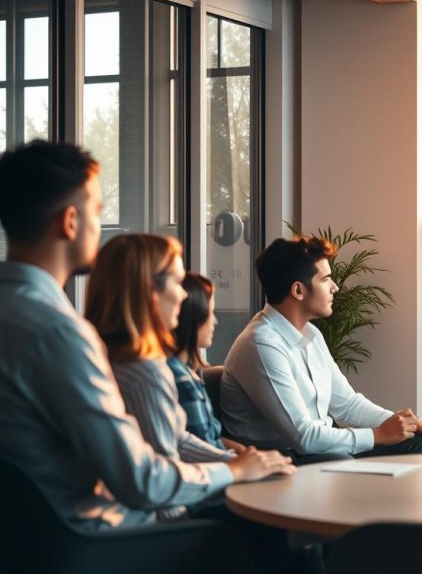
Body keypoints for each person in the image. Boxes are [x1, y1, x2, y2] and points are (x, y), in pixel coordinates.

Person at [0, 141, 285, 530]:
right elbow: (141, 481)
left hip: (28, 542)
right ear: (70, 222)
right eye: (97, 211)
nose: (99, 226)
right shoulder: (60, 333)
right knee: (277, 537)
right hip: (102, 541)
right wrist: (233, 471)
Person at [85, 234, 295, 520]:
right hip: (167, 527)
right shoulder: (145, 372)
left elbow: (178, 439)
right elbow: (165, 487)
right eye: (177, 282)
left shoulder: (108, 359)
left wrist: (241, 462)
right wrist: (233, 471)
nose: (184, 296)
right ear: (150, 291)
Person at [221, 236, 422, 464]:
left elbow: (347, 405)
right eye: (326, 279)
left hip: (317, 448)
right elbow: (303, 437)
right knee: (340, 459)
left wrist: (407, 424)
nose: (335, 287)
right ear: (298, 290)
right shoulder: (262, 344)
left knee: (418, 441)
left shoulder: (311, 334)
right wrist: (378, 435)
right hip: (280, 458)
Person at [170, 272, 244, 451]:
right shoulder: (181, 379)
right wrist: (241, 460)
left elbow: (211, 438)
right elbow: (203, 445)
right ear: (192, 318)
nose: (215, 321)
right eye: (210, 313)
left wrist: (245, 452)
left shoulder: (190, 374)